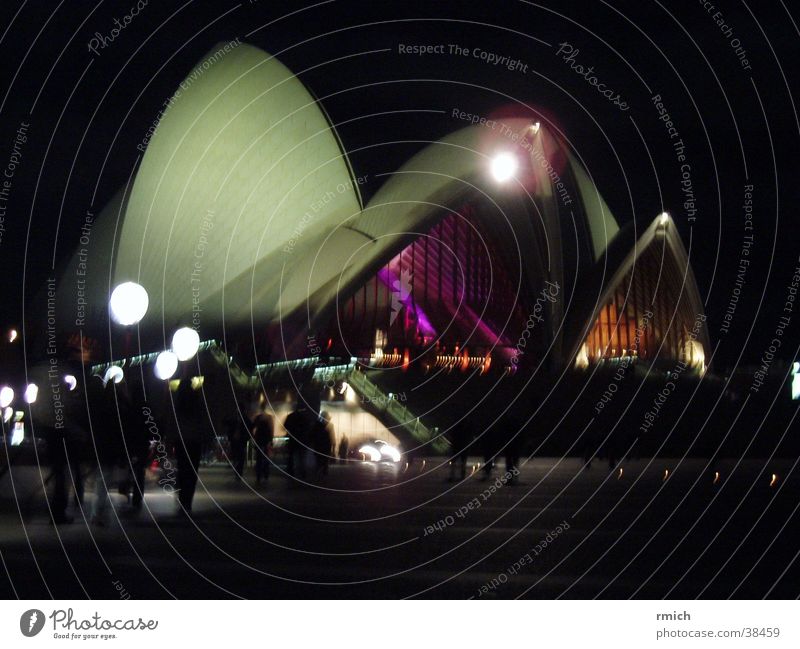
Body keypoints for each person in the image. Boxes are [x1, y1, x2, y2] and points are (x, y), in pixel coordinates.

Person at [173, 372, 205, 514]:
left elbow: (173, 422)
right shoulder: (197, 401)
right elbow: (202, 422)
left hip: (181, 440)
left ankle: (182, 498)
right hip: (194, 440)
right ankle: (187, 502)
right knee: (192, 472)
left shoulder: (178, 402)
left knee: (182, 469)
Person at [283, 406, 313, 480]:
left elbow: (286, 426)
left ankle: (291, 472)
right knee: (301, 457)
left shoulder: (290, 416)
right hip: (302, 440)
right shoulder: (304, 417)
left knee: (291, 456)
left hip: (293, 439)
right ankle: (302, 473)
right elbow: (308, 427)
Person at [251, 408, 274, 484]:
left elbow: (252, 427)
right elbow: (271, 428)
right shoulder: (269, 417)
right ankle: (266, 474)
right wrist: (271, 440)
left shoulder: (258, 417)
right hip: (266, 440)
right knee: (266, 457)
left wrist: (254, 436)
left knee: (259, 458)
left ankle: (258, 475)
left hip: (259, 439)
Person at [311, 411, 334, 476]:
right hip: (325, 445)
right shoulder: (329, 425)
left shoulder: (317, 425)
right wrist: (333, 446)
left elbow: (313, 435)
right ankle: (323, 472)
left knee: (319, 459)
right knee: (325, 460)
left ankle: (319, 471)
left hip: (319, 445)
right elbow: (331, 436)